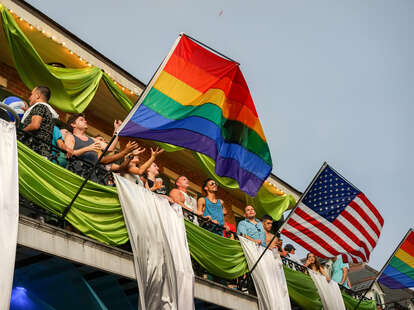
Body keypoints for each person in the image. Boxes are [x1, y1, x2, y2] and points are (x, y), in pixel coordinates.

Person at [65, 113, 138, 182]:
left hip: (92, 176)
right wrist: (87, 148)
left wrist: (117, 130)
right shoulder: (71, 137)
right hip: (76, 172)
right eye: (81, 120)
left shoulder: (92, 140)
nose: (85, 121)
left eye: (85, 119)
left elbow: (110, 148)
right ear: (73, 124)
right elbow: (69, 154)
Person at [20, 86, 59, 157]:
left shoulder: (40, 106)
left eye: (31, 94)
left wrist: (20, 131)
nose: (29, 98)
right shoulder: (47, 110)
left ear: (37, 95)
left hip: (33, 149)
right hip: (43, 151)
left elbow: (35, 125)